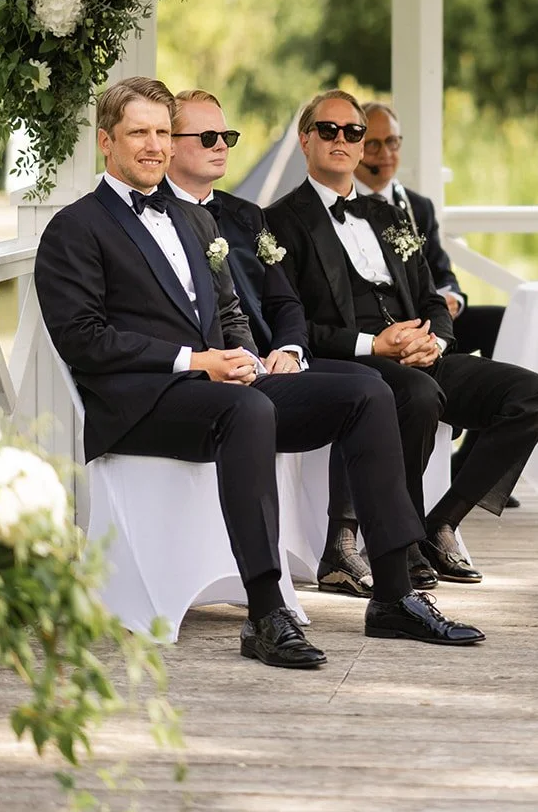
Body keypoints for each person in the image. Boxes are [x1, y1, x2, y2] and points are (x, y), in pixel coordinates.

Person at [35, 77, 485, 669]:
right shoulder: (75, 227)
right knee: (249, 410)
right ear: (105, 141)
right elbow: (82, 339)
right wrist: (196, 361)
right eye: (138, 132)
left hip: (222, 385)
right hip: (143, 403)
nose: (154, 145)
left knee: (366, 390)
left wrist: (245, 355)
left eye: (162, 132)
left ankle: (396, 594)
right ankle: (267, 611)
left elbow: (224, 307)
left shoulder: (194, 220)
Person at [264, 89, 538, 586]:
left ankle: (440, 523)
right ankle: (376, 545)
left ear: (362, 146)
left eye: (353, 132)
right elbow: (288, 323)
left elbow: (430, 297)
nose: (343, 140)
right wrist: (374, 346)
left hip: (422, 353)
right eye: (329, 130)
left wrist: (437, 342)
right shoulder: (278, 222)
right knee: (416, 396)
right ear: (305, 140)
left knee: (534, 396)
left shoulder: (392, 215)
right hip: (351, 360)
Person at [164, 88, 393, 599]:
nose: (221, 145)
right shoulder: (161, 222)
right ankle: (352, 571)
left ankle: (383, 566)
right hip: (223, 378)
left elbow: (286, 303)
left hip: (278, 364)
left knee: (375, 387)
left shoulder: (247, 215)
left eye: (227, 136)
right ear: (170, 145)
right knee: (372, 390)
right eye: (206, 137)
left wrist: (289, 351)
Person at [353, 101, 517, 506]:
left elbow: (443, 271)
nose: (385, 154)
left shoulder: (417, 205)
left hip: (433, 316)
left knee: (502, 322)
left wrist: (451, 299)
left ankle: (477, 461)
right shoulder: (343, 206)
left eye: (392, 142)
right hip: (385, 328)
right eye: (373, 144)